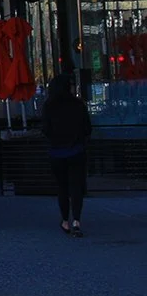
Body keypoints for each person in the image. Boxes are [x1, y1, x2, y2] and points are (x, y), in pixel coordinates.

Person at [42, 72, 92, 237]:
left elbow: (46, 130)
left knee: (62, 187)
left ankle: (65, 220)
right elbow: (87, 129)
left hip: (57, 152)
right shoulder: (78, 105)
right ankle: (77, 220)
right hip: (76, 150)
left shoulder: (49, 106)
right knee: (76, 187)